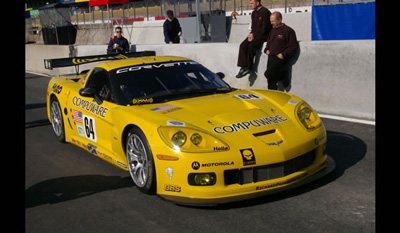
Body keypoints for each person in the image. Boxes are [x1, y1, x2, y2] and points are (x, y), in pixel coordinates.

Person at [236, 0, 272, 78]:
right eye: (250, 3)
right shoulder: (253, 13)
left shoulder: (264, 12)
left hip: (264, 35)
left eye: (252, 3)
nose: (250, 5)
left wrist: (254, 35)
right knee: (243, 45)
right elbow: (253, 26)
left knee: (251, 46)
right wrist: (251, 34)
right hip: (255, 34)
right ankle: (243, 66)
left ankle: (249, 67)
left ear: (257, 3)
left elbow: (264, 28)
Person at [264, 11, 298, 90]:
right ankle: (272, 97)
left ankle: (283, 75)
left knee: (268, 74)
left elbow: (293, 46)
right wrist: (266, 50)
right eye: (270, 21)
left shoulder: (288, 31)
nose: (271, 23)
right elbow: (268, 43)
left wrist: (283, 54)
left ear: (280, 20)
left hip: (279, 58)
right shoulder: (272, 31)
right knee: (270, 81)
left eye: (273, 21)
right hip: (271, 57)